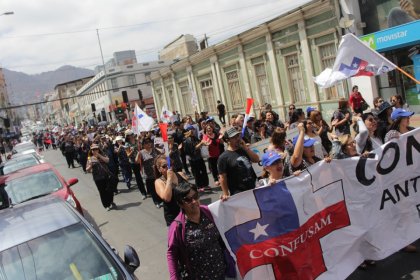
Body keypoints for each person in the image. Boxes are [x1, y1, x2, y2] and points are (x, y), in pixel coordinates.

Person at [167, 181, 235, 280]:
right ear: (180, 204)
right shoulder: (177, 226)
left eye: (195, 196)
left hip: (221, 272)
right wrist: (174, 277)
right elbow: (172, 253)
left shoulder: (209, 212)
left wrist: (225, 203)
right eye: (188, 200)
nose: (194, 201)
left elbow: (229, 222)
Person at [217, 127, 260, 201]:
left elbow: (256, 159)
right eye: (234, 137)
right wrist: (226, 194)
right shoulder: (223, 158)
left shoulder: (243, 149)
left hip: (253, 188)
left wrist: (246, 148)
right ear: (227, 140)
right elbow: (223, 178)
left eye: (238, 136)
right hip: (239, 194)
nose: (237, 139)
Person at [154, 155, 189, 226]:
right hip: (174, 215)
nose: (168, 167)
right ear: (159, 169)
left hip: (188, 210)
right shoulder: (159, 182)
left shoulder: (180, 174)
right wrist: (169, 179)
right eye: (164, 166)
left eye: (170, 165)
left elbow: (189, 191)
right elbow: (167, 198)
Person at [86, 144, 116, 211]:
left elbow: (107, 160)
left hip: (106, 176)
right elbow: (87, 169)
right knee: (102, 192)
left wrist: (99, 155)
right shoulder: (90, 158)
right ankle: (106, 205)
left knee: (110, 190)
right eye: (93, 149)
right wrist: (90, 165)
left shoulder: (102, 155)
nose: (95, 150)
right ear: (91, 151)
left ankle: (111, 201)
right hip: (98, 178)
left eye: (96, 149)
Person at [183, 125, 210, 191]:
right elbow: (193, 148)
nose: (192, 131)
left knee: (203, 171)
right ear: (187, 131)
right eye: (190, 129)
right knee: (197, 173)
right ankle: (199, 186)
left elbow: (199, 144)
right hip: (193, 159)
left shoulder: (194, 137)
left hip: (199, 157)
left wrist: (205, 143)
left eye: (193, 129)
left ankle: (205, 184)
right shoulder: (187, 140)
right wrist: (201, 143)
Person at [140, 137, 162, 208]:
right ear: (143, 145)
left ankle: (161, 200)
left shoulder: (155, 150)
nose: (149, 143)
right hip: (149, 175)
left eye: (149, 142)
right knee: (153, 190)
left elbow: (162, 153)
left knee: (160, 187)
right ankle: (156, 202)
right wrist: (138, 154)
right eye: (146, 142)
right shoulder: (141, 152)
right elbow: (137, 161)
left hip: (157, 172)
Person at [125, 129, 147, 199]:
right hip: (134, 162)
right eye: (131, 135)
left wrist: (140, 144)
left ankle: (149, 191)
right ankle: (143, 193)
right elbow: (128, 155)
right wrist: (132, 150)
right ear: (128, 136)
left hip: (141, 159)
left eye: (132, 134)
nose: (132, 135)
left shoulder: (137, 141)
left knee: (147, 175)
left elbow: (142, 147)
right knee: (138, 178)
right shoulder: (127, 144)